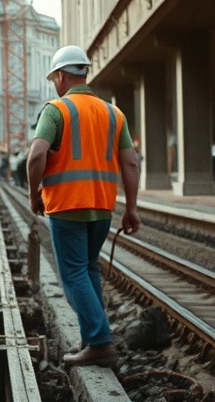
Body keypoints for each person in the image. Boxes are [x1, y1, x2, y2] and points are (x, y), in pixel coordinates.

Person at [26, 45, 141, 369]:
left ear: (61, 76)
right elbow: (130, 163)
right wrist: (131, 208)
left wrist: (34, 193)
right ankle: (93, 339)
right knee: (88, 268)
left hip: (67, 206)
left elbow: (36, 156)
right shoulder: (114, 113)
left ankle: (100, 342)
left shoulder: (56, 110)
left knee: (74, 272)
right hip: (102, 208)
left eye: (54, 79)